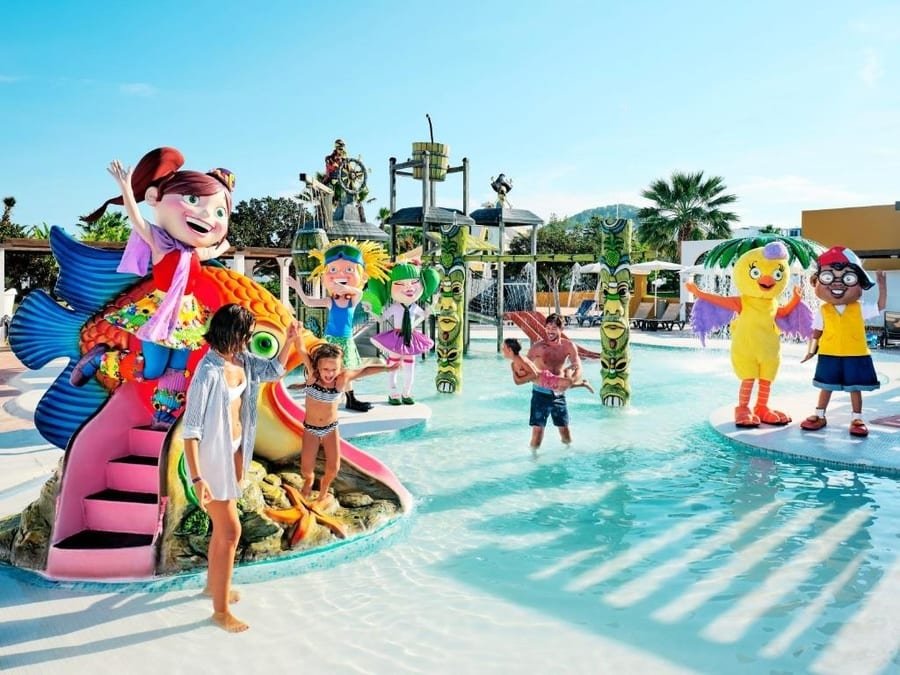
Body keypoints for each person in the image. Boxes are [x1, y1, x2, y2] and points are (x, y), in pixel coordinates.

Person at [72, 147, 234, 428]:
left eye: (219, 211)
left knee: (177, 369)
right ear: (154, 198)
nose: (206, 215)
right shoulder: (161, 244)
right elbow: (137, 221)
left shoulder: (192, 253)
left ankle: (164, 414)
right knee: (152, 369)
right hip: (159, 312)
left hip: (188, 317)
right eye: (193, 199)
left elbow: (211, 253)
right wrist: (125, 186)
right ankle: (101, 360)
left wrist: (223, 244)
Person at [182, 304, 301, 633]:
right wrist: (197, 478)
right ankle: (220, 613)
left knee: (222, 530)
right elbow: (190, 432)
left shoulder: (242, 360)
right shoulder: (208, 372)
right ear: (231, 334)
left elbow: (274, 370)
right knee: (231, 531)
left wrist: (290, 341)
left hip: (234, 452)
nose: (250, 340)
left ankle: (212, 586)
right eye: (246, 334)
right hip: (211, 461)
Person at [286, 238, 391, 412]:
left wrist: (346, 289)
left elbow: (359, 292)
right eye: (333, 270)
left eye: (349, 270)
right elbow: (308, 302)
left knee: (347, 370)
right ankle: (323, 395)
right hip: (330, 340)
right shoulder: (330, 301)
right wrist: (297, 288)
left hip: (346, 339)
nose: (339, 276)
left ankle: (350, 399)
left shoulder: (353, 300)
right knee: (326, 368)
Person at [295, 341, 399, 507]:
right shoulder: (313, 376)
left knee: (333, 468)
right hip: (311, 430)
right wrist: (295, 336)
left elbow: (364, 370)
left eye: (333, 369)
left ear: (340, 367)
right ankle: (309, 480)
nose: (329, 373)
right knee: (306, 469)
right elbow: (301, 350)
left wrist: (388, 368)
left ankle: (324, 489)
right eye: (325, 369)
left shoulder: (342, 379)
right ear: (318, 367)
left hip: (330, 429)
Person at [800, 247, 887, 437]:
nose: (837, 284)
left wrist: (882, 285)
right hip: (829, 353)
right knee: (826, 385)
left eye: (847, 278)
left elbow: (881, 306)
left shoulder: (859, 308)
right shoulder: (823, 310)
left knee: (855, 388)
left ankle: (857, 418)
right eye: (829, 278)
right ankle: (820, 415)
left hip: (856, 354)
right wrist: (810, 351)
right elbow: (816, 332)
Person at [363, 261, 441, 404]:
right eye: (400, 284)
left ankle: (407, 392)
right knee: (392, 365)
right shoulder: (394, 307)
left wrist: (432, 307)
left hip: (410, 337)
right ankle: (393, 392)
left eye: (414, 282)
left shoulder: (415, 307)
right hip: (396, 337)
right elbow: (381, 319)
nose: (409, 288)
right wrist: (370, 311)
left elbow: (423, 316)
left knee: (410, 366)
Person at [511, 313, 583, 448]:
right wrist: (520, 372)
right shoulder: (538, 347)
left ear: (561, 329)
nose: (549, 331)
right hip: (540, 393)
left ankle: (568, 455)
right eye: (548, 327)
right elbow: (524, 366)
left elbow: (577, 366)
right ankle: (533, 458)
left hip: (559, 394)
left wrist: (572, 380)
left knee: (565, 432)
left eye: (554, 328)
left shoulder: (569, 346)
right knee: (538, 432)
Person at [502, 338, 594, 394]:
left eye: (504, 348)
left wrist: (521, 378)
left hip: (545, 379)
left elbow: (534, 374)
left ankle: (567, 371)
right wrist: (520, 378)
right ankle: (583, 383)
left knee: (568, 382)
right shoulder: (514, 364)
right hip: (543, 383)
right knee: (561, 388)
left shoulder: (521, 360)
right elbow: (517, 382)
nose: (502, 349)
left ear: (510, 350)